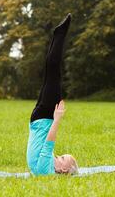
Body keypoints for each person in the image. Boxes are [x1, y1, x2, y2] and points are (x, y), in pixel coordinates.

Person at [26, 13, 78, 176]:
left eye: (63, 158)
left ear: (63, 169)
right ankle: (58, 34)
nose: (59, 155)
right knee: (50, 70)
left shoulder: (44, 171)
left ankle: (60, 33)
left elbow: (49, 142)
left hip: (45, 117)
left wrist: (58, 118)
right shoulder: (45, 170)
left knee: (53, 69)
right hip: (38, 120)